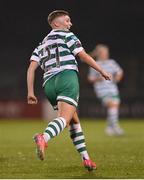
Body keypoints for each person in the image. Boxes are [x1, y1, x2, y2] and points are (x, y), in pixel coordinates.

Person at [27, 10, 111, 171]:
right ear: (56, 24)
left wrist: (30, 92)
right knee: (64, 119)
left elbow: (31, 68)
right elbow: (83, 56)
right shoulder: (69, 36)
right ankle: (43, 137)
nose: (70, 24)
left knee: (74, 121)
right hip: (66, 77)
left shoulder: (41, 44)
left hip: (49, 85)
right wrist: (102, 70)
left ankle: (86, 159)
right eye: (67, 21)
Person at [88, 44, 124, 136]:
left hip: (113, 88)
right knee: (112, 105)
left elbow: (119, 71)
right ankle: (115, 126)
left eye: (106, 53)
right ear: (99, 54)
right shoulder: (95, 64)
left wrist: (117, 78)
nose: (106, 55)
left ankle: (109, 127)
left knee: (114, 105)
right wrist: (98, 79)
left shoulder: (111, 62)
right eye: (104, 53)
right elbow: (90, 78)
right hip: (101, 89)